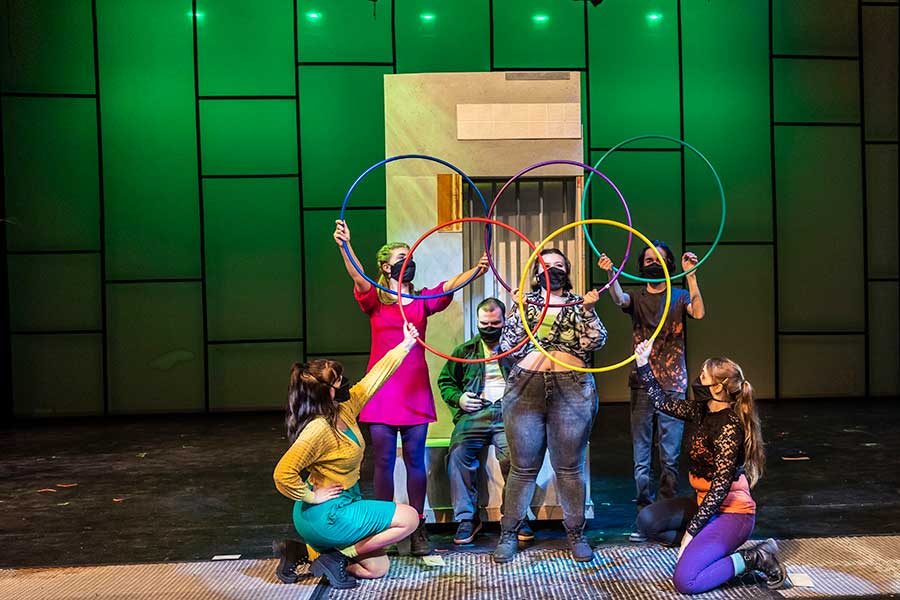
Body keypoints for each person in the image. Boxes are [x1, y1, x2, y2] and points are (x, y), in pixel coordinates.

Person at [334, 219, 488, 555]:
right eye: (403, 257)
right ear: (387, 267)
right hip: (382, 390)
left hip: (415, 390)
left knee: (416, 462)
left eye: (411, 256)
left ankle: (418, 528)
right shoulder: (376, 298)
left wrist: (477, 270)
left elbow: (449, 286)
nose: (410, 261)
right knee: (384, 463)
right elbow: (358, 276)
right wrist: (345, 245)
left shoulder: (420, 300)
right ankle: (385, 528)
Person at [632, 338, 788, 593]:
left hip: (733, 514)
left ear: (717, 388)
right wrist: (642, 362)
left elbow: (720, 489)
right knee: (648, 521)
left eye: (702, 376)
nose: (697, 380)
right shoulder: (700, 410)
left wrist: (691, 533)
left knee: (686, 581)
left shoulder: (729, 427)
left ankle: (754, 558)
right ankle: (704, 550)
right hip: (705, 504)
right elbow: (661, 401)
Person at [273, 324, 422, 589]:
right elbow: (283, 473)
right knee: (409, 518)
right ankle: (340, 555)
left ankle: (306, 553)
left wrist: (406, 344)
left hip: (339, 506)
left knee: (377, 568)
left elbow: (376, 377)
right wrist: (310, 495)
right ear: (326, 391)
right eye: (339, 381)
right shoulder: (318, 428)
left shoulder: (345, 409)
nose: (345, 384)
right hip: (327, 513)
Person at [493, 248, 607, 564]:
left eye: (559, 265)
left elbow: (594, 342)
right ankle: (508, 534)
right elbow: (508, 345)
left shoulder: (578, 303)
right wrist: (516, 308)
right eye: (547, 265)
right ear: (537, 271)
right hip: (525, 390)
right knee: (522, 468)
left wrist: (588, 311)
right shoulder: (526, 304)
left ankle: (576, 533)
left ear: (567, 271)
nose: (553, 269)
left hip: (571, 391)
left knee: (569, 468)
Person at [599, 243, 706, 537]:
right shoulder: (637, 296)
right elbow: (619, 298)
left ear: (669, 263)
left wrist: (691, 275)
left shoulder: (679, 294)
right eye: (648, 259)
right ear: (641, 265)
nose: (652, 263)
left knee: (670, 456)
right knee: (642, 456)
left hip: (673, 385)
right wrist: (611, 274)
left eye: (658, 259)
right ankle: (645, 515)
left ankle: (666, 516)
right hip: (643, 384)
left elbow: (697, 313)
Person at [438, 297, 534, 545]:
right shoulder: (465, 351)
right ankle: (467, 518)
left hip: (508, 412)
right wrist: (459, 399)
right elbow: (445, 382)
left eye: (495, 323)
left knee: (514, 458)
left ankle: (515, 516)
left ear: (504, 321)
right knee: (458, 455)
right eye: (484, 323)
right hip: (474, 413)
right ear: (477, 322)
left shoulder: (516, 349)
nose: (489, 328)